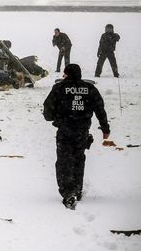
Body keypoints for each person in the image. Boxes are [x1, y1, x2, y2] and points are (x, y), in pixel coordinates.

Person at [43, 63, 110, 210]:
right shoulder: (90, 89)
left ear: (67, 74)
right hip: (82, 132)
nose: (63, 76)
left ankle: (68, 192)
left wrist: (57, 117)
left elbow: (47, 112)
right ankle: (77, 189)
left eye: (64, 74)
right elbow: (100, 109)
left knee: (63, 162)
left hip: (65, 131)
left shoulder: (59, 89)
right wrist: (105, 128)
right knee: (78, 160)